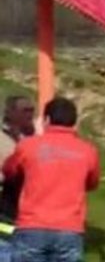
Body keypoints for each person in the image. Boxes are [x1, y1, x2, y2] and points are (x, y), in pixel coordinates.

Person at [1, 97, 99, 262]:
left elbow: (9, 171)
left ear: (46, 119)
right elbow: (92, 183)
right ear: (74, 121)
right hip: (69, 226)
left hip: (33, 224)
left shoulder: (29, 146)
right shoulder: (88, 151)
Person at [0, 96, 35, 261]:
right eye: (25, 110)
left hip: (31, 213)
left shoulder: (35, 139)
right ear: (10, 112)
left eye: (32, 110)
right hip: (7, 211)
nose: (30, 115)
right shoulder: (2, 140)